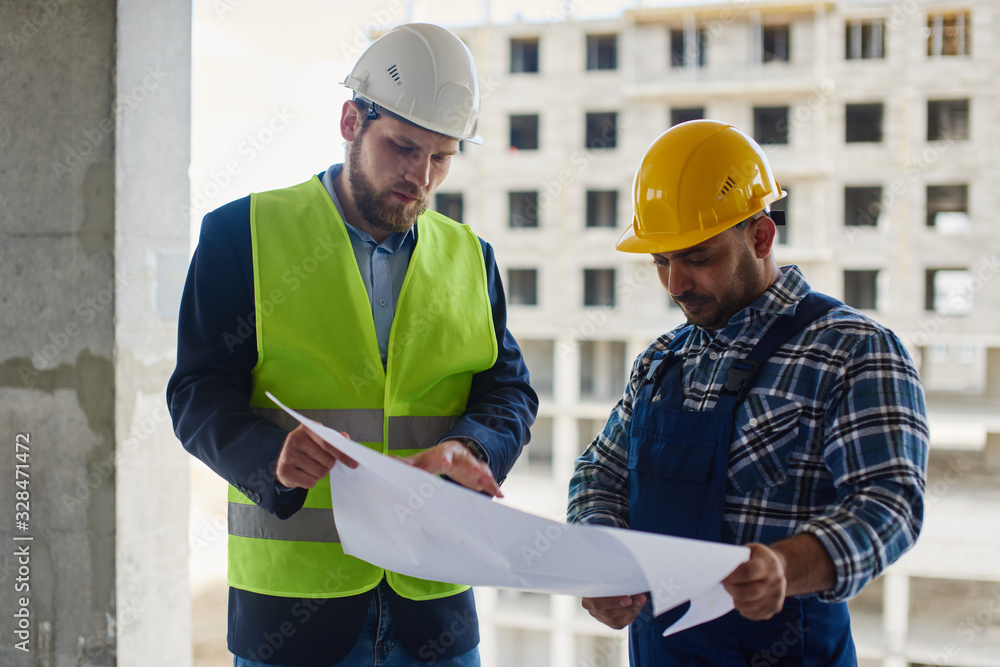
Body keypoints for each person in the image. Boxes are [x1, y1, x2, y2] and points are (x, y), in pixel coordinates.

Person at [167, 23, 537, 667]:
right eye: (403, 147)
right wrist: (269, 455)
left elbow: (509, 390)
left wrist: (472, 445)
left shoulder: (472, 258)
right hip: (290, 612)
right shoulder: (242, 234)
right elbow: (196, 393)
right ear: (350, 121)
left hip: (436, 610)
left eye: (443, 157)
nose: (421, 176)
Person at [567, 120, 928, 665]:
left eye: (697, 257)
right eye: (661, 261)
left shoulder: (852, 351)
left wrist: (787, 565)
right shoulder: (662, 362)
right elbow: (600, 473)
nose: (675, 285)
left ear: (761, 236)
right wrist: (601, 555)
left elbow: (891, 503)